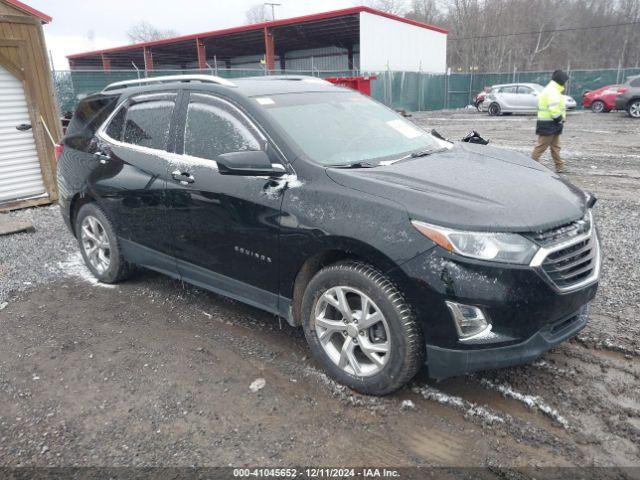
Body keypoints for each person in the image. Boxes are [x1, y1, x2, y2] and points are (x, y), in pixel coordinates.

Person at [531, 70, 569, 173]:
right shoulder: (552, 91)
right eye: (564, 81)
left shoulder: (553, 89)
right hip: (549, 123)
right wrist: (559, 118)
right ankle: (530, 164)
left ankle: (560, 166)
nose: (565, 83)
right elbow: (554, 107)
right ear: (560, 81)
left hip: (552, 123)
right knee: (541, 146)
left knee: (555, 147)